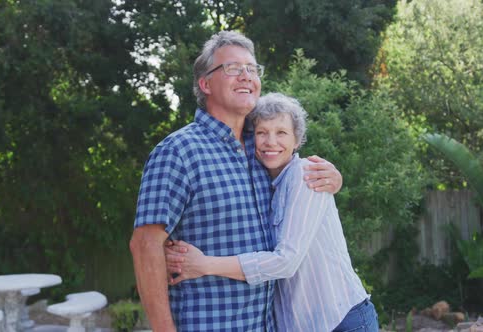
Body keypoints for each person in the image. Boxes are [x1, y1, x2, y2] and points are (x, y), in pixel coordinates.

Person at [130, 31, 343, 332]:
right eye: (232, 68)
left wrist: (334, 179)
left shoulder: (262, 150)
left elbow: (300, 188)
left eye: (252, 69)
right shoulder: (178, 152)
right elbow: (145, 245)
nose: (246, 76)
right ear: (205, 84)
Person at [165, 93, 379, 332]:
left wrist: (204, 264)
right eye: (261, 132)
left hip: (342, 321)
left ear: (297, 140)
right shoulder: (264, 184)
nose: (271, 141)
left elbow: (286, 262)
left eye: (281, 133)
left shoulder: (306, 175)